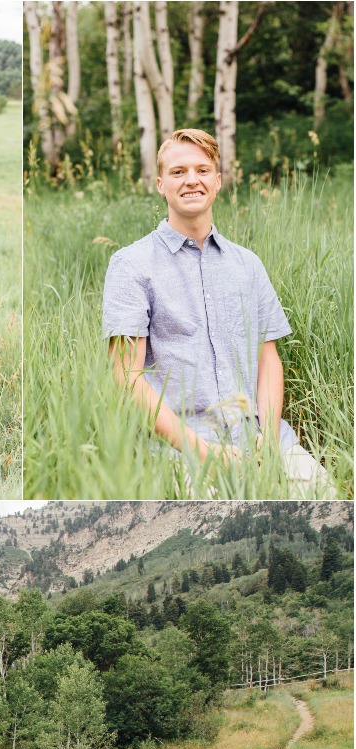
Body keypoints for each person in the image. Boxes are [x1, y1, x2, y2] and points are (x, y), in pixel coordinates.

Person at [103, 127, 333, 493]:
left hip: (261, 438)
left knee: (329, 507)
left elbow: (268, 359)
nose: (191, 180)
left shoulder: (247, 264)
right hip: (179, 448)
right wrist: (203, 450)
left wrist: (270, 440)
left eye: (202, 170)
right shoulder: (131, 265)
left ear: (218, 181)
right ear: (160, 184)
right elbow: (128, 377)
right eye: (178, 172)